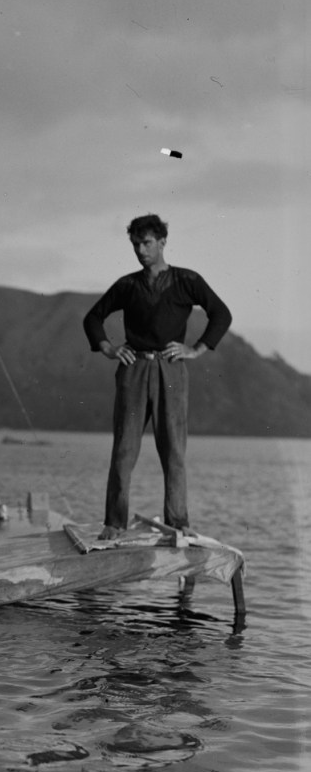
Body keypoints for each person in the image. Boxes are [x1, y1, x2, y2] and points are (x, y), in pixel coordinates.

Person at [83, 214, 232, 540]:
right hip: (133, 368)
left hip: (171, 369)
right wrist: (109, 349)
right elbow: (92, 318)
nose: (141, 250)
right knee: (124, 450)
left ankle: (177, 523)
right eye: (135, 244)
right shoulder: (127, 285)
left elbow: (221, 314)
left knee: (174, 450)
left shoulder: (186, 280)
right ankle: (114, 524)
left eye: (147, 243)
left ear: (162, 242)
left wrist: (196, 349)